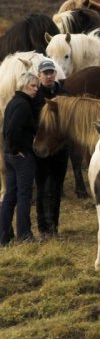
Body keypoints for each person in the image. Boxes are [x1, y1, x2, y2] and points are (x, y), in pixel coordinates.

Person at [1, 72, 40, 245]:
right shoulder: (23, 105)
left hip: (10, 156)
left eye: (37, 86)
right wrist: (17, 150)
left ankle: (3, 235)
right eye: (33, 85)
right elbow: (11, 131)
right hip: (21, 157)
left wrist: (10, 151)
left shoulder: (12, 102)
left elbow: (4, 130)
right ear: (24, 85)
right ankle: (24, 234)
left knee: (10, 195)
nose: (36, 89)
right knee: (24, 195)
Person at [33, 59, 68, 237]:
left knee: (56, 188)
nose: (49, 76)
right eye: (45, 73)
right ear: (39, 76)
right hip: (43, 150)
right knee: (43, 189)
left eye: (51, 72)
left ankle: (54, 226)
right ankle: (43, 228)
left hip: (60, 150)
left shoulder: (64, 94)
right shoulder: (36, 96)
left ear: (55, 74)